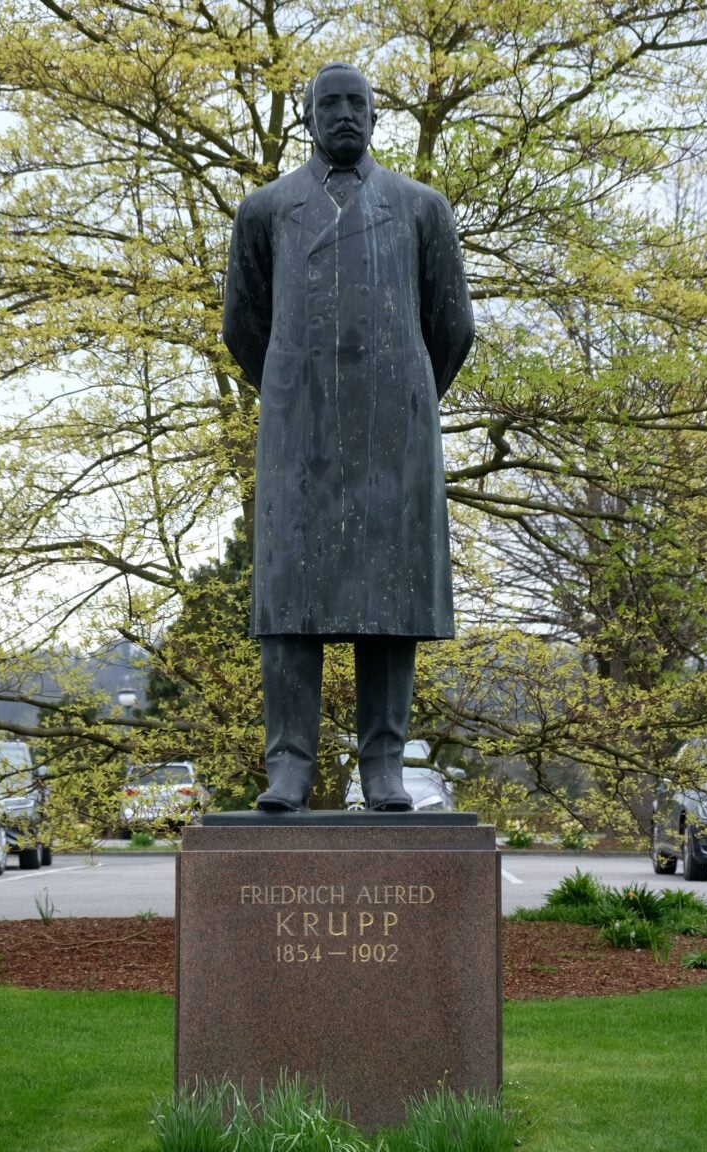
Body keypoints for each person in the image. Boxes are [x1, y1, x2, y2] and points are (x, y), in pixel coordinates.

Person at [223, 63, 474, 812]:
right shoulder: (263, 210)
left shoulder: (422, 208)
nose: (343, 115)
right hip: (298, 429)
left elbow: (452, 326)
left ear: (375, 116)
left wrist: (404, 397)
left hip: (395, 433)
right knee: (291, 600)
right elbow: (242, 326)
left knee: (390, 600)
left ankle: (384, 765)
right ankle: (290, 766)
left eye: (356, 104)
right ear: (305, 118)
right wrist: (298, 390)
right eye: (328, 104)